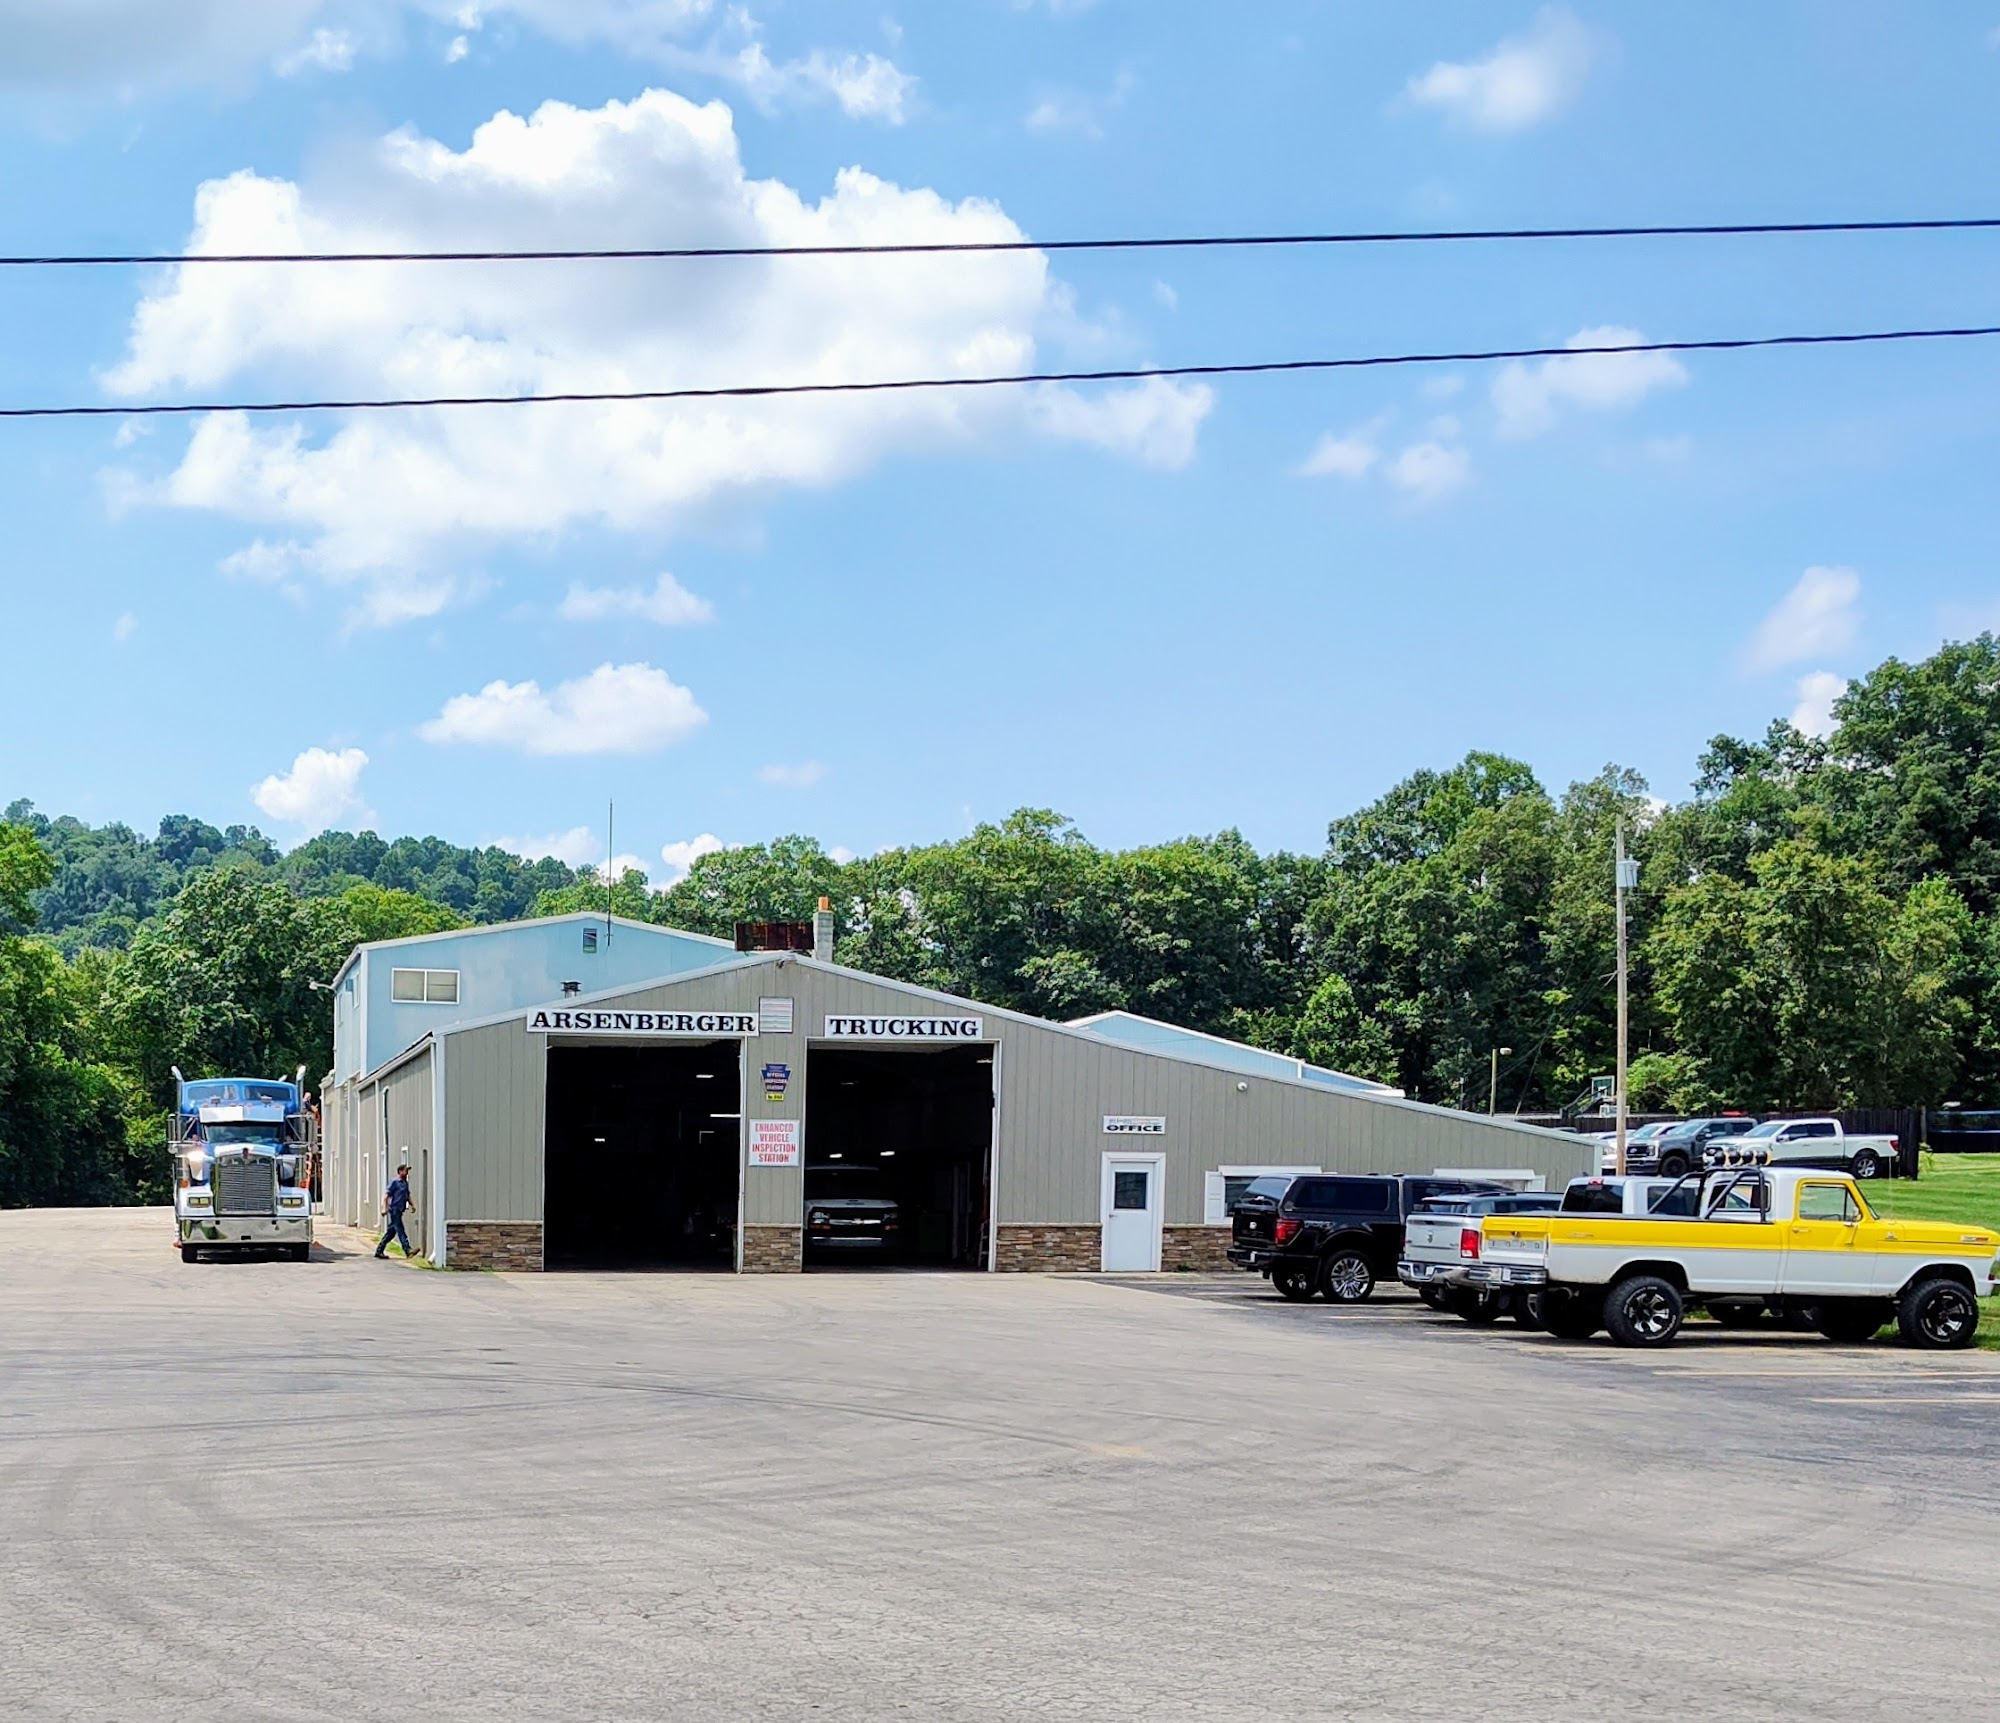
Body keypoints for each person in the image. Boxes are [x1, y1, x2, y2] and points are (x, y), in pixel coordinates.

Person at [376, 1161, 417, 1259]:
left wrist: (413, 1205)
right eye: (405, 1171)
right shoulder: (394, 1182)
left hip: (400, 1210)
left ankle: (379, 1250)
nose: (407, 1173)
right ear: (400, 1172)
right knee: (400, 1229)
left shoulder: (405, 1183)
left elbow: (408, 1195)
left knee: (391, 1232)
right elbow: (386, 1196)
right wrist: (384, 1208)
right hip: (394, 1209)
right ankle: (407, 1250)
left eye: (407, 1171)